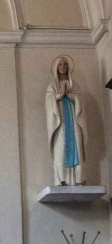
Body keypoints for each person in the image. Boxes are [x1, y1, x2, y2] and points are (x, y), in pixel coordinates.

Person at [46, 56, 87, 186]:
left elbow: (80, 100)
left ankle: (78, 179)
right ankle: (61, 179)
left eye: (65, 64)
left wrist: (71, 96)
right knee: (61, 148)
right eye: (60, 65)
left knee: (76, 146)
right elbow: (48, 101)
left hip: (73, 122)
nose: (63, 67)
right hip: (60, 123)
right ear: (56, 68)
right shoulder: (52, 85)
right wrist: (58, 97)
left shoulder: (74, 84)